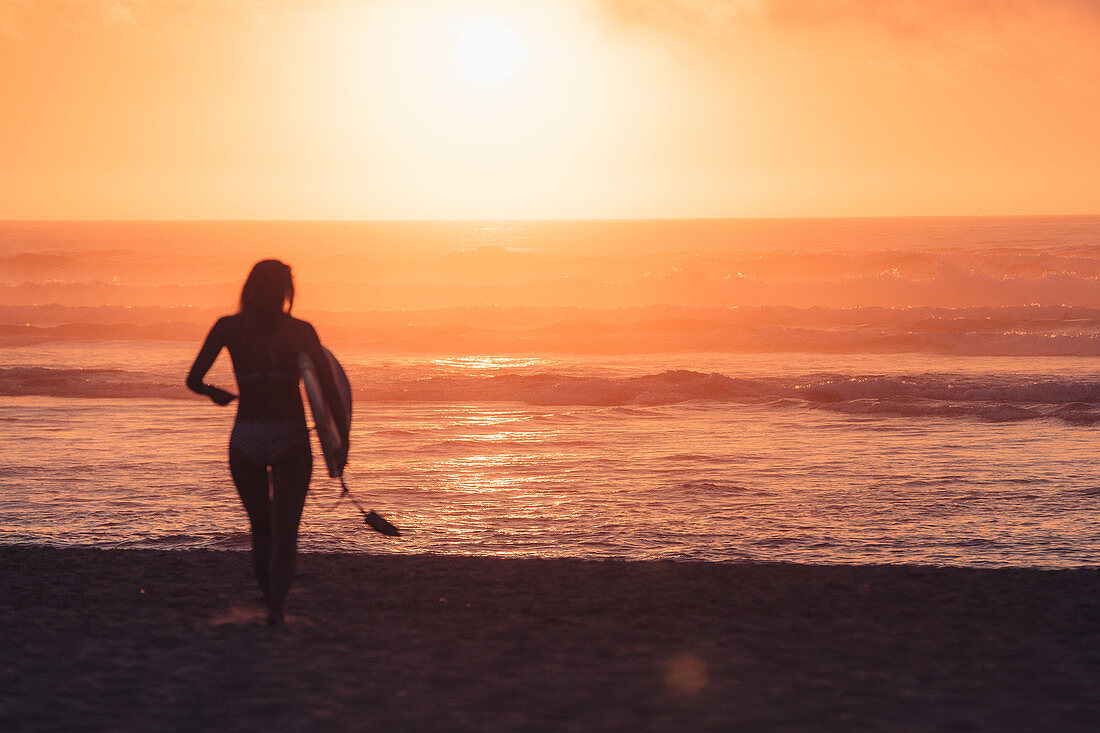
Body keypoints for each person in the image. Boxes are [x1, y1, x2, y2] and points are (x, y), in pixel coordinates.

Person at [186, 259, 346, 625]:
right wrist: (341, 442)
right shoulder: (301, 331)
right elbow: (329, 393)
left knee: (261, 531)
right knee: (286, 534)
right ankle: (276, 609)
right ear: (287, 291)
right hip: (289, 434)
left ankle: (266, 600)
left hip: (246, 436)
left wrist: (217, 394)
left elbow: (193, 379)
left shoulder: (228, 327)